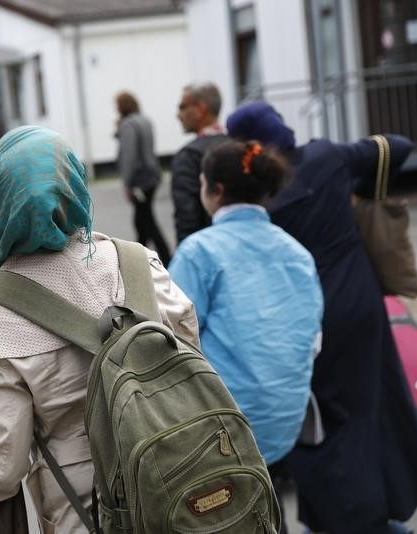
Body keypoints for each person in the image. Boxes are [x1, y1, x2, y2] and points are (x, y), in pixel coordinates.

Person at [0, 126, 199, 532]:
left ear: (0, 200)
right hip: (183, 488)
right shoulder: (137, 263)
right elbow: (190, 360)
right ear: (75, 185)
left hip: (88, 512)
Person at [227, 101, 417, 534]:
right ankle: (388, 509)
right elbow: (399, 145)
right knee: (377, 404)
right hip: (360, 304)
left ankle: (347, 518)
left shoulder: (260, 196)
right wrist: (362, 188)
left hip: (302, 316)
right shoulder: (327, 159)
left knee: (320, 419)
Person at [168, 139, 324, 533]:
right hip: (286, 420)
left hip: (229, 430)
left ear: (215, 191)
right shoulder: (298, 253)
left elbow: (168, 341)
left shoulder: (198, 252)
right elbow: (311, 338)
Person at [115, 91, 172, 265]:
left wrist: (127, 183)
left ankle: (162, 257)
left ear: (123, 106)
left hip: (139, 180)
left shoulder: (128, 125)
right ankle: (141, 258)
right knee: (142, 218)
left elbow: (129, 156)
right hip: (152, 175)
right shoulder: (145, 120)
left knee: (145, 219)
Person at [171, 83, 229, 244]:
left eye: (182, 107)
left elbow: (187, 218)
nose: (178, 115)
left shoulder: (189, 156)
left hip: (207, 252)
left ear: (200, 109)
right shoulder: (240, 146)